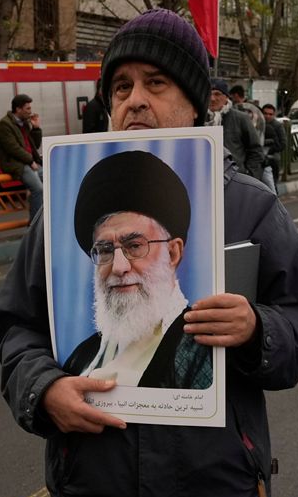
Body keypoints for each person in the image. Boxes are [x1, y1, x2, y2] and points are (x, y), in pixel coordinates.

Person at [0, 8, 298, 497]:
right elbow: (16, 327)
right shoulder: (55, 218)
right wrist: (43, 390)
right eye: (120, 87)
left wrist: (259, 329)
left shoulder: (248, 208)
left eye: (155, 83)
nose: (135, 100)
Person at [62, 151, 211, 390]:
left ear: (173, 253)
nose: (119, 267)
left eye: (134, 246)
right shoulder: (82, 357)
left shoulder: (202, 349)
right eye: (105, 250)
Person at [0, 93, 43, 219]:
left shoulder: (24, 123)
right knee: (38, 189)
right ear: (18, 109)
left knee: (50, 178)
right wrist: (31, 161)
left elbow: (34, 146)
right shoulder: (4, 124)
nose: (30, 111)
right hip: (15, 163)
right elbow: (13, 149)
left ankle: (46, 216)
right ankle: (35, 223)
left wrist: (36, 129)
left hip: (28, 163)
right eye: (27, 108)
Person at [207, 79, 265, 181]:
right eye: (209, 94)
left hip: (236, 179)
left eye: (217, 94)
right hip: (208, 178)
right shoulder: (199, 119)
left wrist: (249, 176)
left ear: (226, 97)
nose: (212, 98)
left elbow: (255, 150)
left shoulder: (240, 118)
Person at [261, 103, 287, 191]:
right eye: (265, 113)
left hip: (272, 159)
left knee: (272, 185)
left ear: (274, 115)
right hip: (258, 158)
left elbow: (283, 143)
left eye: (270, 114)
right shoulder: (257, 123)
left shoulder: (277, 126)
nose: (267, 116)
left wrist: (270, 150)